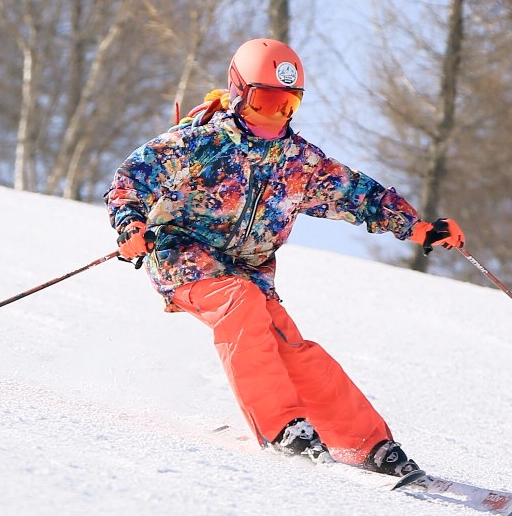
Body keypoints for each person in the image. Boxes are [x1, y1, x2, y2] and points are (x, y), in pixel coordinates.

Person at [105, 37, 467, 476]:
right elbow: (132, 178)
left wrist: (420, 228)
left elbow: (357, 195)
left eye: (287, 106)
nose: (275, 116)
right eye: (264, 102)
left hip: (250, 272)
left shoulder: (299, 162)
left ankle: (366, 444)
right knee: (241, 304)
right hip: (184, 256)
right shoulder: (200, 142)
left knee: (290, 346)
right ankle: (282, 429)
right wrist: (130, 225)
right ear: (239, 94)